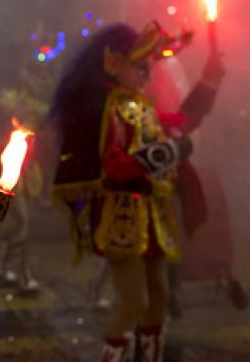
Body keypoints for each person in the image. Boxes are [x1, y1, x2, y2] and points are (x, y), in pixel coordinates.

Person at [49, 21, 224, 362]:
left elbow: (183, 122)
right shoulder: (108, 108)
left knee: (158, 295)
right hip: (122, 216)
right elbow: (113, 165)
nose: (146, 72)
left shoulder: (143, 107)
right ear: (115, 64)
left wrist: (209, 80)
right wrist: (165, 153)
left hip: (154, 215)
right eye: (139, 65)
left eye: (148, 66)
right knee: (135, 302)